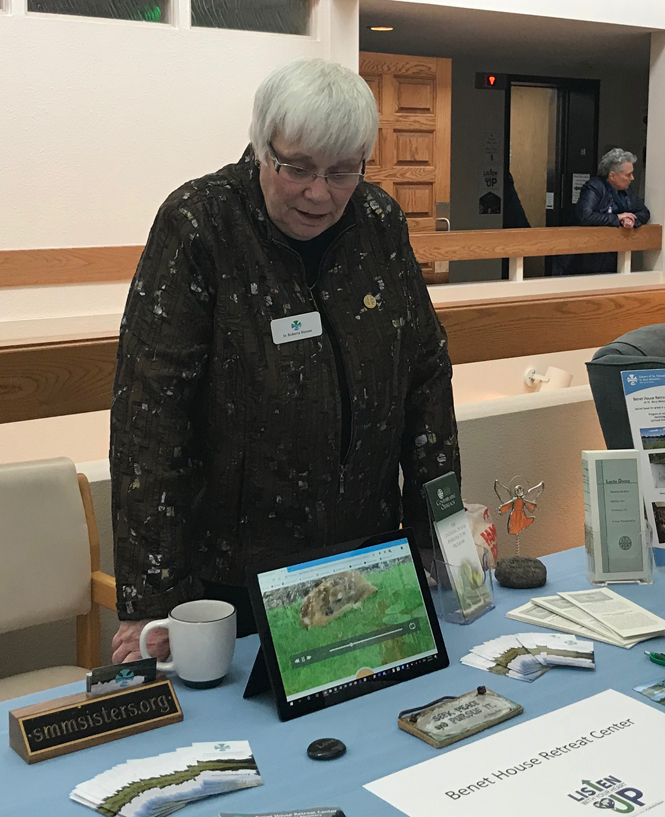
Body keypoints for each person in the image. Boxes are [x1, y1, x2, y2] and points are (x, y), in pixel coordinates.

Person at [109, 58, 460, 663]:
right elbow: (149, 416)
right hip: (236, 574)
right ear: (260, 146)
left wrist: (438, 529)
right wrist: (152, 596)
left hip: (366, 556)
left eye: (342, 171)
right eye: (296, 167)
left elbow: (425, 375)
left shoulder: (378, 221)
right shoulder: (200, 224)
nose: (318, 193)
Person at [573, 148, 651, 274]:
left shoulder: (627, 191)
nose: (632, 178)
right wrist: (617, 218)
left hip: (615, 252)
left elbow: (644, 212)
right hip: (590, 255)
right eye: (628, 175)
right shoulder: (594, 187)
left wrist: (630, 220)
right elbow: (585, 216)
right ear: (612, 176)